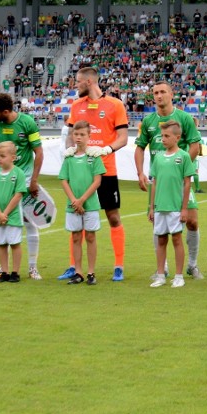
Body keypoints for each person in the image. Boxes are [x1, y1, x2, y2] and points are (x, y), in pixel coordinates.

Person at [58, 67, 128, 282]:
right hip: (80, 171)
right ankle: (74, 266)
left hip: (105, 170)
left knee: (113, 216)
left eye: (78, 82)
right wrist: (70, 150)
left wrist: (107, 149)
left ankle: (118, 265)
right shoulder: (76, 105)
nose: (75, 85)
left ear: (89, 81)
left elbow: (123, 137)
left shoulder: (115, 105)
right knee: (76, 215)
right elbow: (71, 135)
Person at [135, 81, 205, 280]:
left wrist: (181, 168)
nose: (159, 95)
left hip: (180, 180)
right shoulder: (148, 121)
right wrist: (140, 172)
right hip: (159, 179)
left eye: (163, 92)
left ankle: (192, 265)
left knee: (191, 220)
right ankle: (163, 268)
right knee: (158, 223)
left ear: (171, 94)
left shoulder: (184, 118)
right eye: (155, 92)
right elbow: (140, 147)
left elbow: (194, 144)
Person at [0, 93, 44, 280]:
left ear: (6, 111)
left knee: (29, 223)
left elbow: (39, 153)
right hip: (2, 182)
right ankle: (4, 268)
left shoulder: (27, 123)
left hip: (24, 180)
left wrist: (33, 180)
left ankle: (32, 267)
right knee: (3, 221)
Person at [147, 121, 195, 289]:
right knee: (161, 240)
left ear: (177, 137)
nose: (163, 139)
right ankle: (161, 275)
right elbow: (154, 183)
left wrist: (184, 208)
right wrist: (152, 207)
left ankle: (179, 276)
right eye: (162, 136)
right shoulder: (158, 158)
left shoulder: (183, 157)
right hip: (160, 207)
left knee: (176, 239)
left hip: (175, 207)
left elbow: (187, 184)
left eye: (167, 136)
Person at [58, 121, 105, 286]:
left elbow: (97, 181)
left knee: (91, 236)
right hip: (73, 206)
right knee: (76, 237)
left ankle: (91, 272)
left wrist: (82, 200)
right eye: (76, 134)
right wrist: (74, 200)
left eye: (82, 134)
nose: (78, 137)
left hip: (90, 204)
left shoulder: (94, 157)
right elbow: (64, 179)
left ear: (89, 136)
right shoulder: (69, 157)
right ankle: (78, 271)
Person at [0, 142, 27, 283]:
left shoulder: (18, 173)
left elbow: (18, 194)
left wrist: (5, 213)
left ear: (13, 157)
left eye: (2, 156)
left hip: (13, 216)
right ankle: (4, 272)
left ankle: (15, 272)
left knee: (15, 243)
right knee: (1, 244)